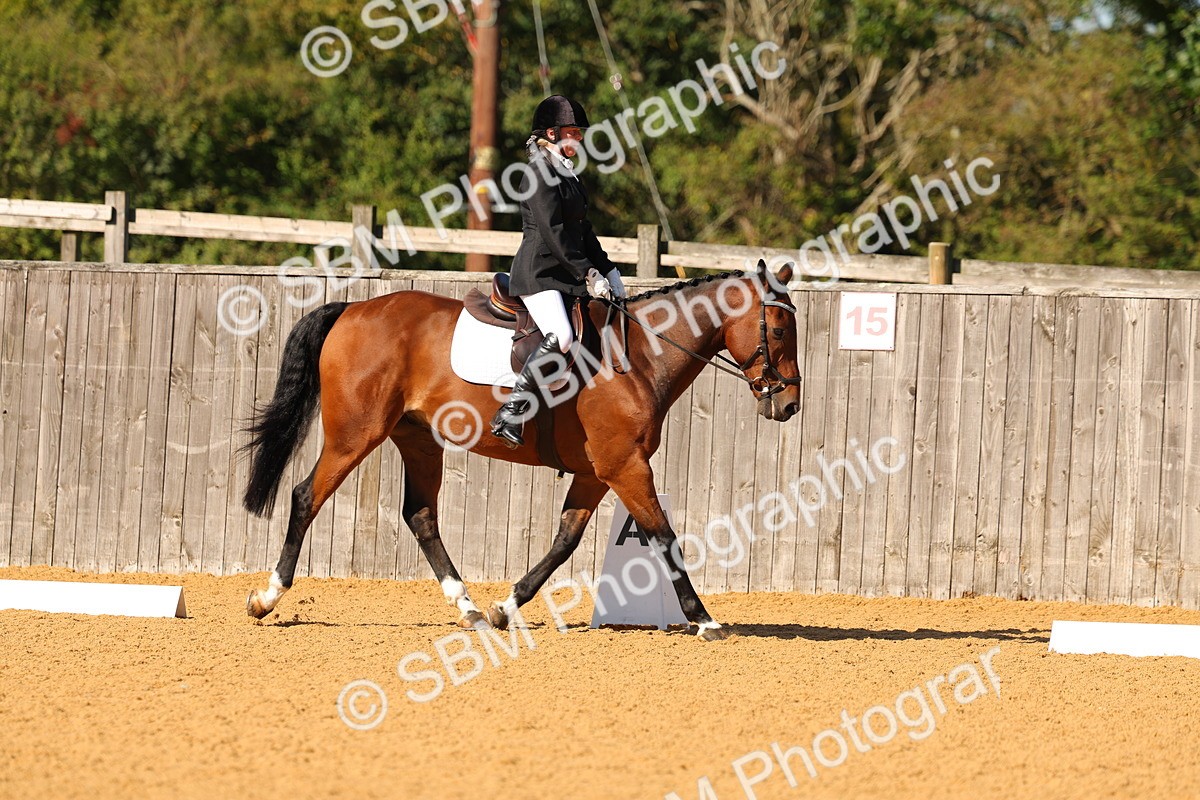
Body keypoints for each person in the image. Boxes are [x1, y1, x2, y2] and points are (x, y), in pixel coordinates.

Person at [490, 95, 627, 447]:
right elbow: (554, 234)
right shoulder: (537, 173)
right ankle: (511, 411)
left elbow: (582, 230)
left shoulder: (567, 174)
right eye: (573, 133)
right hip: (539, 274)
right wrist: (587, 273)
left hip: (564, 273)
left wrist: (608, 268)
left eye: (580, 134)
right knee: (562, 335)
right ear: (551, 133)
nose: (578, 140)